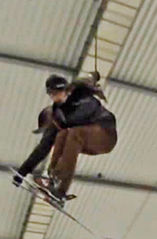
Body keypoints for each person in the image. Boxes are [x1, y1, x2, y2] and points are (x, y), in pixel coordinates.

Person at [12, 72, 117, 203]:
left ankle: (61, 188)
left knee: (73, 133)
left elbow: (84, 113)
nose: (55, 98)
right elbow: (43, 147)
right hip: (87, 140)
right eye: (51, 95)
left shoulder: (81, 96)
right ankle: (52, 179)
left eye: (57, 93)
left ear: (65, 90)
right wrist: (22, 172)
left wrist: (90, 82)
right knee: (61, 135)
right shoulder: (58, 115)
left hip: (105, 135)